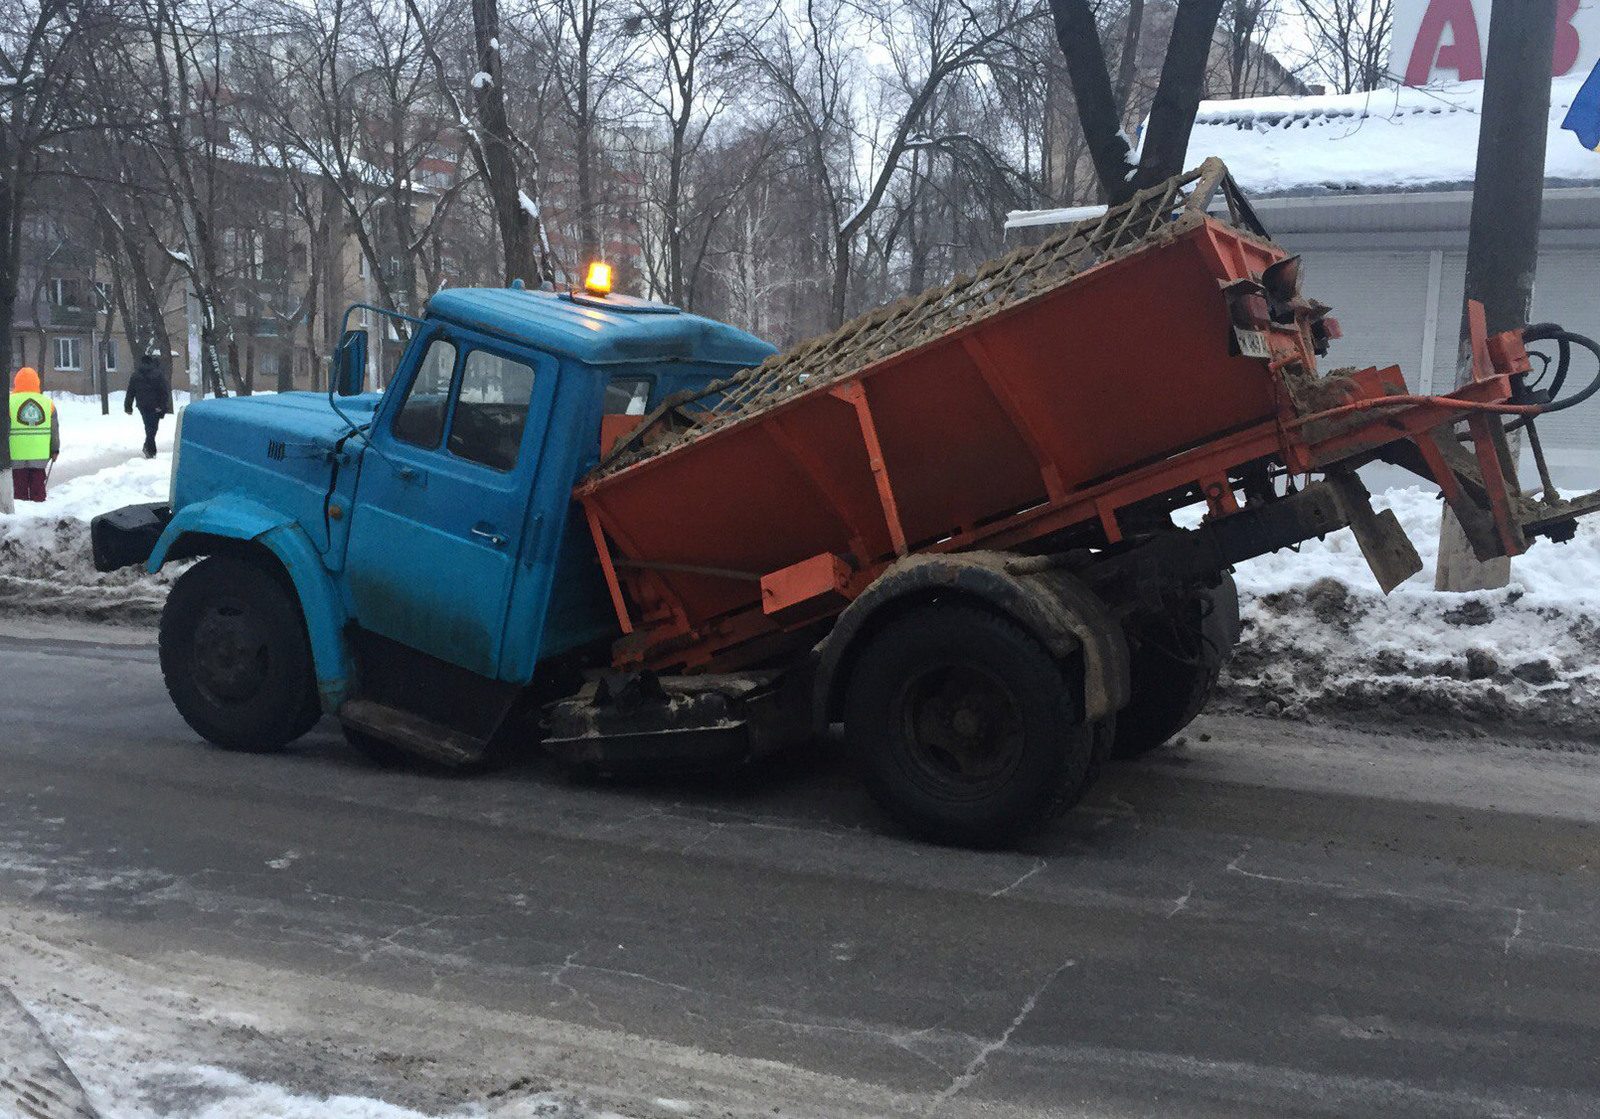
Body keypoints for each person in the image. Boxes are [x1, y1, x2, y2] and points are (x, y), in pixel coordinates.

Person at [8, 367, 58, 503]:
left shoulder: (8, 402)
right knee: (38, 490)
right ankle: (39, 516)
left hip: (15, 455)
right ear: (37, 382)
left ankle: (21, 520)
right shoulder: (48, 403)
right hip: (40, 455)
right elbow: (54, 430)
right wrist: (55, 450)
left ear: (16, 382)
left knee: (19, 491)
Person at [124, 353, 173, 458]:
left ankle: (149, 447)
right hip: (155, 406)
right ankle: (150, 449)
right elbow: (164, 391)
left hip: (142, 405)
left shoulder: (136, 375)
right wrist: (164, 406)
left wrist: (128, 406)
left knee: (148, 425)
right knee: (153, 427)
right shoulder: (158, 374)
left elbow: (130, 392)